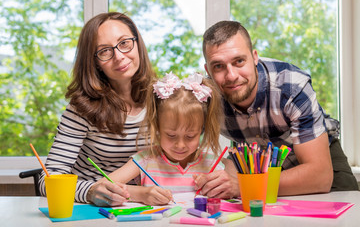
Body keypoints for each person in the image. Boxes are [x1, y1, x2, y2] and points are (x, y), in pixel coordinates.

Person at [194, 20, 358, 198]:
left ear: (254, 57)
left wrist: (244, 186)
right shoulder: (205, 97)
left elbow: (319, 176)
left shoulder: (291, 85)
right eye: (218, 66)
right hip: (258, 166)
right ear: (207, 70)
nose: (231, 76)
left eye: (239, 61)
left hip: (318, 162)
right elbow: (172, 139)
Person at [38, 12, 156, 206]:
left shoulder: (163, 97)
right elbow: (47, 181)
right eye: (104, 51)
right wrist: (91, 191)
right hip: (90, 208)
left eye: (124, 43)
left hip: (148, 208)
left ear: (137, 44)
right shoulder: (82, 108)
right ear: (95, 63)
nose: (119, 56)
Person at [104, 72, 225, 206]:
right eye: (171, 135)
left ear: (202, 130)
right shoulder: (145, 160)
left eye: (190, 136)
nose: (180, 145)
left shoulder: (212, 164)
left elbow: (233, 193)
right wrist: (140, 194)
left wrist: (214, 187)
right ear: (157, 127)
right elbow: (102, 186)